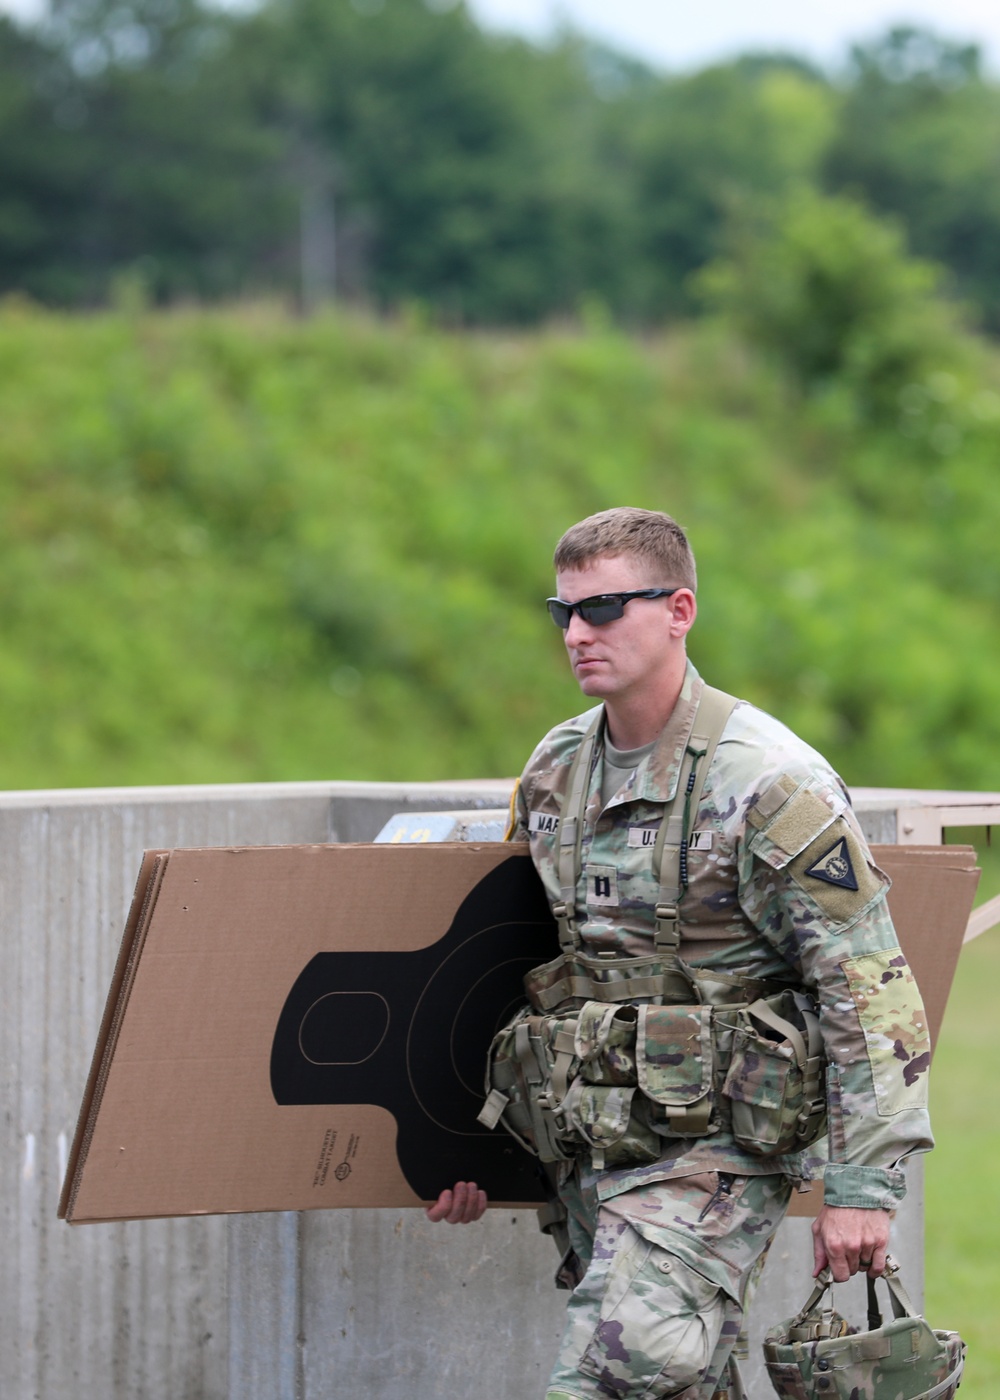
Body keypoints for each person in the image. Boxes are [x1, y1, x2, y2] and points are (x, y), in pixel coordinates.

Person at [427, 507, 933, 1400]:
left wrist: (864, 1187)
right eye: (566, 613)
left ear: (679, 609)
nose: (580, 633)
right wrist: (453, 1146)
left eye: (607, 608)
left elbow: (868, 987)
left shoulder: (768, 781)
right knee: (679, 1387)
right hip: (592, 1148)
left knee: (613, 1373)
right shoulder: (555, 769)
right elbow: (505, 964)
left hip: (720, 1153)